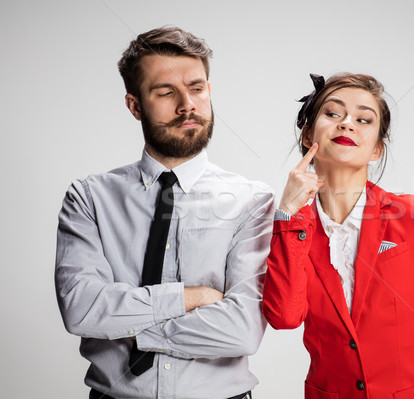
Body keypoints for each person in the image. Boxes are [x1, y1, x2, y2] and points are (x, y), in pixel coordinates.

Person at [55, 26, 274, 399]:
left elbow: (241, 330)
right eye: (166, 92)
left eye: (197, 88)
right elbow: (81, 309)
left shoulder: (251, 201)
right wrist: (192, 297)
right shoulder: (89, 197)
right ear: (135, 105)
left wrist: (130, 328)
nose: (187, 104)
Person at [262, 73, 414, 398]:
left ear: (376, 151)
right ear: (308, 134)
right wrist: (288, 212)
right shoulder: (293, 229)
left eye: (363, 119)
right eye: (333, 114)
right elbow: (285, 316)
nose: (347, 124)